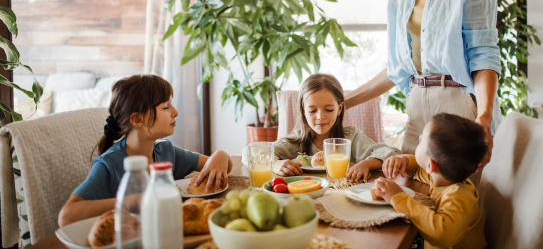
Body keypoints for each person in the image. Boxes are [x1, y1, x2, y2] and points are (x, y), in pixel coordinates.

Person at [344, 0, 501, 178]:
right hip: (417, 106)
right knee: (409, 192)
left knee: (459, 199)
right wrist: (346, 101)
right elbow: (397, 69)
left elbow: (483, 56)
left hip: (458, 103)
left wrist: (484, 118)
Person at [58, 74, 232, 227]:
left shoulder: (166, 152)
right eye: (165, 107)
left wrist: (221, 155)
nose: (176, 112)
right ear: (137, 120)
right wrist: (133, 201)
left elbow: (220, 166)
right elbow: (66, 216)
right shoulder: (109, 165)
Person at [373, 113, 488, 249]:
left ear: (430, 165)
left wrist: (398, 197)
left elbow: (442, 235)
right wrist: (403, 160)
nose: (419, 137)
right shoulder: (443, 176)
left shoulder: (459, 196)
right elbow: (417, 169)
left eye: (422, 140)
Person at [273, 73, 400, 182]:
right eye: (312, 110)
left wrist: (366, 164)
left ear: (339, 108)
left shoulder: (351, 138)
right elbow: (261, 153)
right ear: (303, 111)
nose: (320, 117)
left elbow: (389, 153)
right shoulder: (297, 140)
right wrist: (276, 164)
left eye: (328, 109)